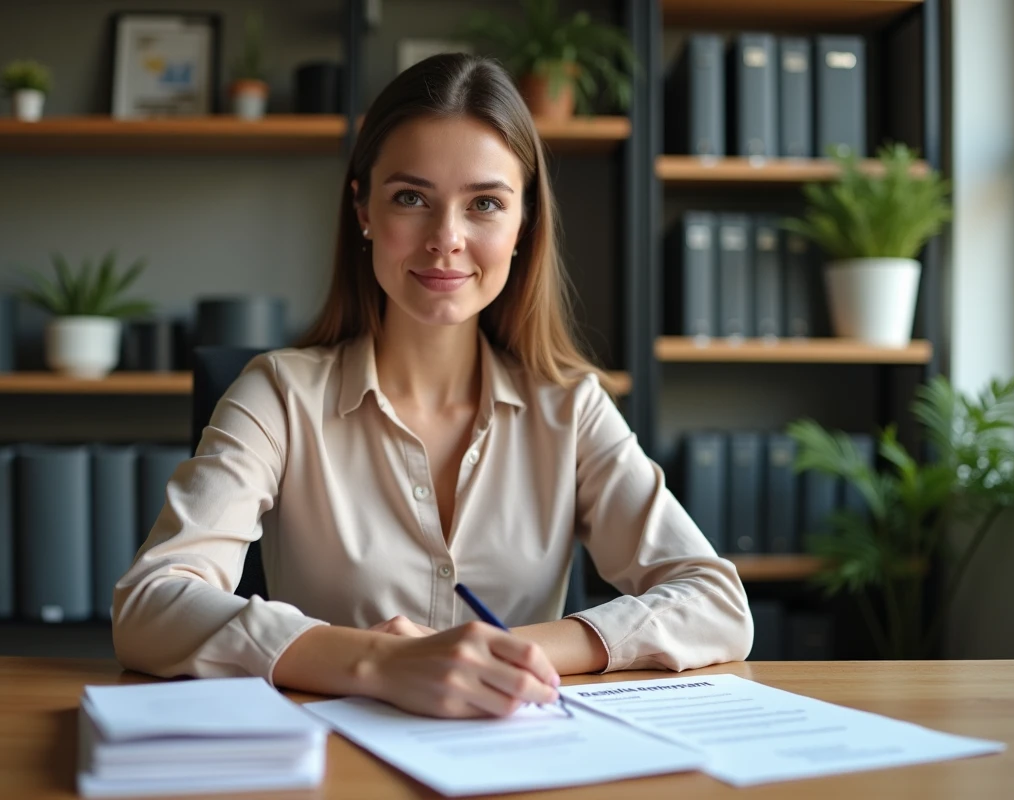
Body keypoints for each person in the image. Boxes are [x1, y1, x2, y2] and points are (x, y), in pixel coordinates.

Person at [113, 53, 752, 719]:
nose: (446, 239)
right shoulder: (277, 395)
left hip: (517, 753)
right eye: (411, 198)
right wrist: (377, 662)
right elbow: (150, 603)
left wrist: (502, 656)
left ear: (524, 223)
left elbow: (716, 603)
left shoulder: (571, 409)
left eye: (485, 204)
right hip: (331, 755)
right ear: (362, 208)